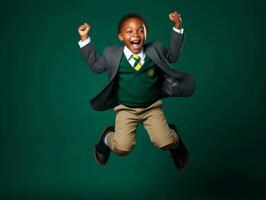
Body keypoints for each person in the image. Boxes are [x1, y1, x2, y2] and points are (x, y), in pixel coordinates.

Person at [77, 11, 195, 169]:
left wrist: (177, 26)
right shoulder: (111, 54)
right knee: (122, 148)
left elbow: (173, 56)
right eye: (129, 31)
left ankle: (176, 142)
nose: (136, 34)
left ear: (146, 34)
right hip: (126, 109)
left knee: (166, 141)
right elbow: (96, 67)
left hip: (151, 108)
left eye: (141, 30)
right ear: (121, 37)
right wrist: (85, 38)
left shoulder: (156, 48)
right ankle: (106, 139)